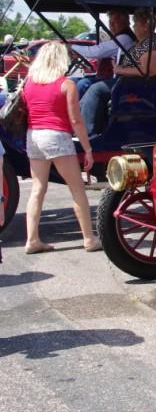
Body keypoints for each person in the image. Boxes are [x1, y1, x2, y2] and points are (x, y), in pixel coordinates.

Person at [21, 42, 99, 254]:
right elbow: (76, 121)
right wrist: (88, 149)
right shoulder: (66, 84)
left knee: (38, 189)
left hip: (33, 136)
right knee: (76, 189)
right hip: (57, 136)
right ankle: (89, 238)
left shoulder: (29, 83)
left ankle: (32, 239)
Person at [79, 8, 156, 134]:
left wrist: (120, 69)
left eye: (136, 24)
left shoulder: (153, 43)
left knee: (96, 89)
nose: (133, 27)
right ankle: (85, 126)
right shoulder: (144, 42)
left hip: (137, 85)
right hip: (128, 81)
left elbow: (149, 70)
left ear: (145, 25)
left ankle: (87, 132)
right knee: (88, 85)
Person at [70, 9, 136, 98]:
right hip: (106, 76)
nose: (111, 26)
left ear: (126, 22)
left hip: (117, 79)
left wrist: (72, 47)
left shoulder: (124, 38)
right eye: (110, 22)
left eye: (115, 22)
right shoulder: (118, 37)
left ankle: (75, 111)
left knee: (83, 83)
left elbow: (96, 52)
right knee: (72, 81)